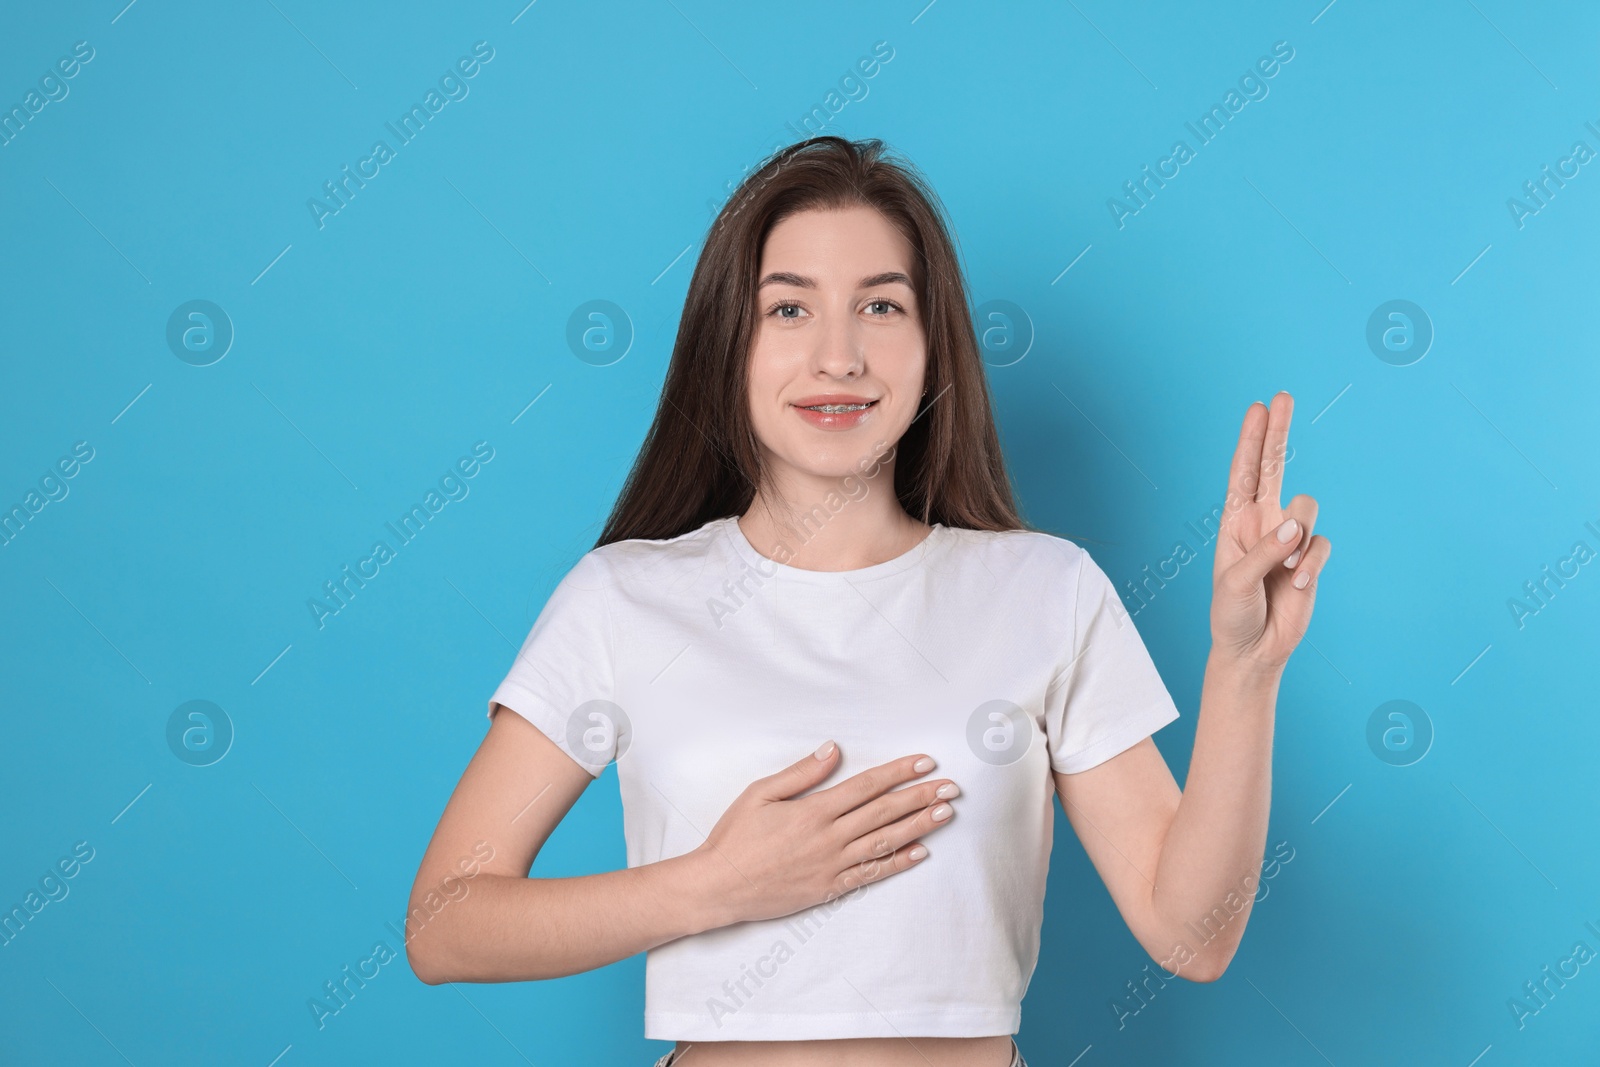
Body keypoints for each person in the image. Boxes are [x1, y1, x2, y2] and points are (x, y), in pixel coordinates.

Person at [404, 136, 1330, 1067]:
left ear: (935, 348)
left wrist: (1246, 671)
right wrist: (714, 886)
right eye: (789, 307)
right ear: (729, 342)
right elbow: (444, 926)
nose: (838, 356)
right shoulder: (623, 599)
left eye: (881, 306)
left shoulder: (1047, 588)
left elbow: (1193, 936)